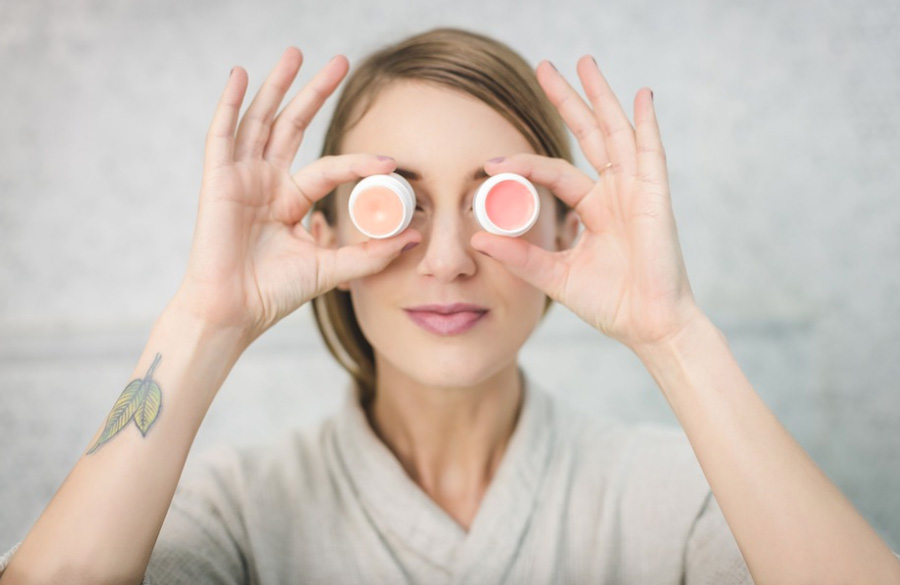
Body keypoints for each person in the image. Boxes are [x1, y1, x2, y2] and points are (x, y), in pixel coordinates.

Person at [1, 27, 898, 585]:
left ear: (560, 222)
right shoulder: (230, 511)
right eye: (398, 201)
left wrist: (674, 333)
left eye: (492, 200)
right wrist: (202, 319)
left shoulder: (679, 500)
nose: (448, 259)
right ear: (325, 233)